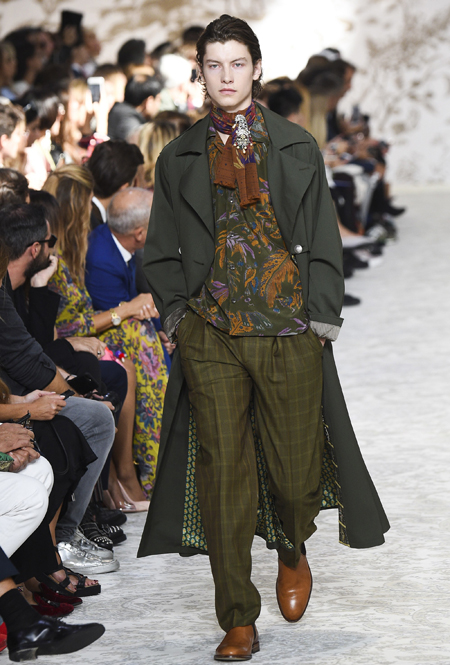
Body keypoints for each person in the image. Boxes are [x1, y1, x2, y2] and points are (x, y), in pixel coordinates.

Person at [138, 14, 389, 661]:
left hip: (288, 328)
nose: (226, 76)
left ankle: (292, 543)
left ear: (255, 68)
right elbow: (159, 248)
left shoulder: (296, 145)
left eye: (237, 63)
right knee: (223, 474)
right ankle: (237, 617)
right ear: (201, 74)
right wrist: (179, 316)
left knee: (296, 473)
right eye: (214, 65)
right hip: (213, 332)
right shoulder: (178, 157)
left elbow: (323, 232)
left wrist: (322, 314)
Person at [44, 165, 168, 499]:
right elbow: (66, 326)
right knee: (130, 354)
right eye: (87, 206)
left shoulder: (72, 254)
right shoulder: (61, 261)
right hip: (63, 347)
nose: (93, 214)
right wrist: (125, 310)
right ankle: (132, 474)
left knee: (136, 347)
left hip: (80, 341)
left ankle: (134, 472)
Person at [86, 139, 144, 229]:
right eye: (136, 183)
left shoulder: (85, 210)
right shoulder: (93, 227)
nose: (143, 189)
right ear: (125, 189)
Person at [108, 74, 162, 141]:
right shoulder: (131, 124)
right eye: (158, 100)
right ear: (149, 101)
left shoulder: (119, 111)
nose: (159, 105)